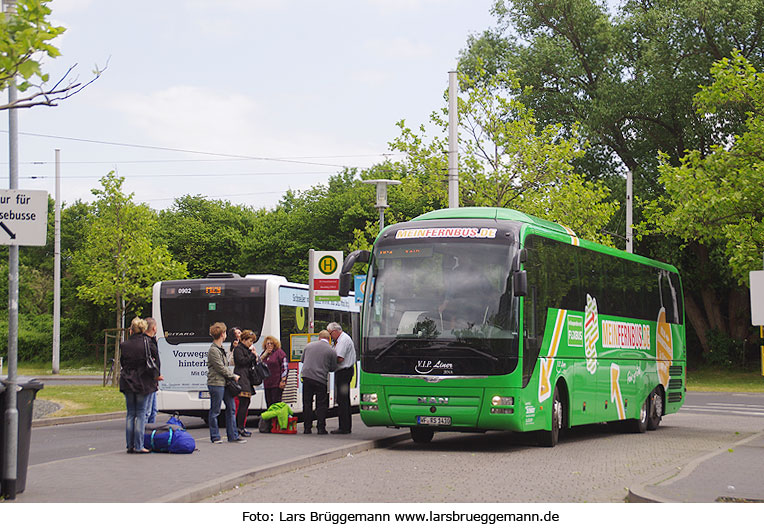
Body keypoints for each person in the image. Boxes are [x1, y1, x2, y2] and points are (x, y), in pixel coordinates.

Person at [119, 317, 156, 454]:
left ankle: (129, 444)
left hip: (127, 381)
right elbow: (155, 361)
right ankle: (139, 445)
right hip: (143, 382)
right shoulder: (148, 343)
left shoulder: (124, 345)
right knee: (141, 414)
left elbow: (123, 363)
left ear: (131, 330)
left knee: (130, 414)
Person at [206, 322, 246, 444]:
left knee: (231, 408)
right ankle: (215, 436)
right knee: (215, 410)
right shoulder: (213, 350)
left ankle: (233, 435)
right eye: (224, 332)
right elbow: (220, 368)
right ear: (222, 334)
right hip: (216, 383)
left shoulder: (221, 348)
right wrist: (233, 376)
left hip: (225, 383)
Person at [300, 330, 336, 435]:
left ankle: (307, 428)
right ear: (329, 339)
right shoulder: (331, 350)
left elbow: (303, 360)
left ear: (319, 337)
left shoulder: (308, 346)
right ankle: (321, 428)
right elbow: (333, 368)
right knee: (321, 404)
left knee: (307, 403)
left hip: (306, 377)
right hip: (320, 379)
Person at [327, 322, 356, 434]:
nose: (330, 336)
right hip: (343, 371)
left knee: (342, 400)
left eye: (330, 334)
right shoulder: (340, 340)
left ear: (335, 331)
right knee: (343, 399)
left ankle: (344, 427)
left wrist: (329, 364)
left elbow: (339, 358)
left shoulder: (343, 340)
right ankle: (344, 426)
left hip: (344, 371)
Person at [233, 329, 258, 437]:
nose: (251, 343)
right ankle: (239, 428)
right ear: (243, 340)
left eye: (252, 342)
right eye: (249, 341)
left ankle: (241, 427)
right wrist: (252, 356)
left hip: (247, 378)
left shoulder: (247, 350)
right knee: (243, 403)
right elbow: (241, 361)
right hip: (241, 378)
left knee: (246, 403)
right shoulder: (238, 349)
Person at [143, 317, 162, 424]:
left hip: (153, 381)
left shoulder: (151, 341)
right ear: (154, 328)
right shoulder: (147, 343)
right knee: (147, 411)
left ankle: (150, 433)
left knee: (153, 410)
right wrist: (155, 374)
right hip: (149, 380)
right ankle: (144, 434)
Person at [260, 335, 288, 408]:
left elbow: (285, 368)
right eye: (267, 343)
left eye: (271, 343)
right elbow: (258, 364)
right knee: (269, 404)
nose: (269, 345)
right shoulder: (264, 354)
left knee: (276, 403)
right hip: (267, 383)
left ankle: (276, 419)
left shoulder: (279, 353)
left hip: (277, 383)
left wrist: (283, 380)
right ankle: (270, 419)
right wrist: (265, 354)